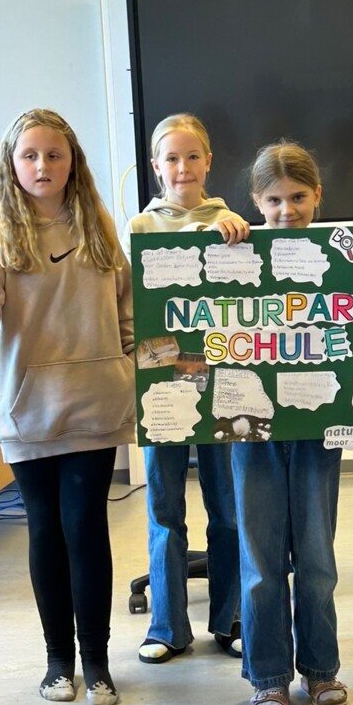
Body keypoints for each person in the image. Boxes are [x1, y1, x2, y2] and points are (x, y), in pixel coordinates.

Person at [0, 108, 135, 705]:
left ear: (72, 162)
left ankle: (99, 663)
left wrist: (131, 367)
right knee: (46, 531)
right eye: (30, 155)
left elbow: (127, 311)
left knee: (86, 529)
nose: (43, 166)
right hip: (27, 412)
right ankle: (58, 661)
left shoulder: (98, 227)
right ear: (11, 165)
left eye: (54, 154)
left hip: (97, 404)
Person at [234, 140, 353, 705]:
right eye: (272, 200)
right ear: (255, 200)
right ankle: (269, 675)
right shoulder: (237, 252)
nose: (286, 210)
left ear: (318, 196)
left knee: (318, 559)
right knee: (260, 560)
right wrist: (224, 231)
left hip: (319, 430)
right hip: (251, 431)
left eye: (298, 197)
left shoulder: (341, 250)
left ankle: (321, 669)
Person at [125, 114, 248, 663]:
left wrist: (237, 238)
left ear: (208, 161)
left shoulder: (233, 221)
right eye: (171, 159)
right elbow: (130, 310)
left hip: (223, 383)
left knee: (227, 507)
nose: (182, 168)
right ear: (156, 167)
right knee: (163, 509)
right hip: (163, 390)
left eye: (191, 157)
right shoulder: (139, 229)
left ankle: (231, 617)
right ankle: (167, 626)